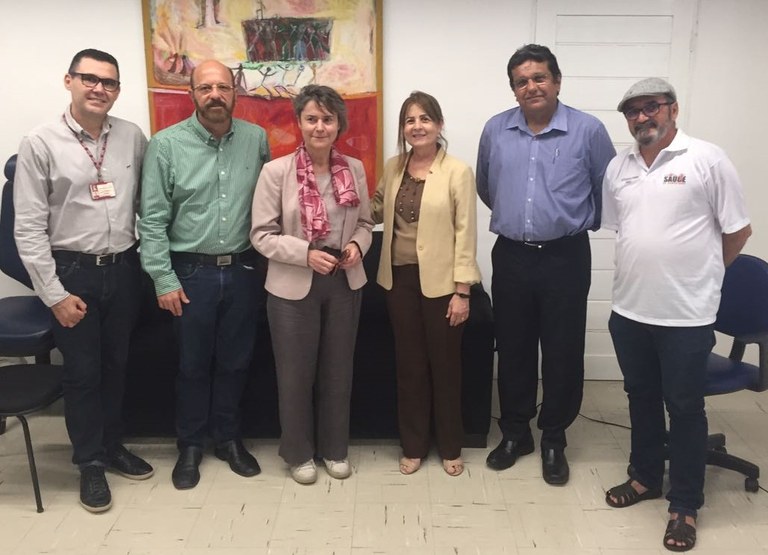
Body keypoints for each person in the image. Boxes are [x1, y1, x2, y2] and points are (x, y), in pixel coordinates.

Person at [602, 78, 751, 552]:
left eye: (652, 107)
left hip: (685, 316)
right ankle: (645, 476)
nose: (642, 117)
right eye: (633, 111)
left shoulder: (706, 159)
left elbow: (738, 231)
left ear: (673, 109)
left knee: (685, 408)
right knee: (641, 397)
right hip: (629, 310)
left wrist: (706, 274)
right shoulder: (619, 166)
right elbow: (623, 229)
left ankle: (684, 504)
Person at [14, 48, 153, 513]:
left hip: (124, 268)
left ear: (118, 90)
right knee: (83, 373)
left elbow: (145, 206)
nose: (99, 89)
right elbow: (28, 229)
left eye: (109, 82)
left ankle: (112, 446)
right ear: (69, 81)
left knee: (117, 366)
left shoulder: (132, 137)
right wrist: (54, 295)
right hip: (72, 272)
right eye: (89, 78)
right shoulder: (40, 142)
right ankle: (89, 463)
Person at [476, 44, 615, 485]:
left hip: (565, 256)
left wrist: (566, 222)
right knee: (513, 346)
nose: (531, 86)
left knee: (562, 349)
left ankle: (554, 436)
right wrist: (522, 219)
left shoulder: (588, 130)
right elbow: (487, 186)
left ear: (556, 81)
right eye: (522, 81)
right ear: (513, 89)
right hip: (512, 254)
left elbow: (608, 190)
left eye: (539, 77)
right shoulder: (496, 130)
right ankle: (516, 433)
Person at [138, 59, 271, 490]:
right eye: (205, 88)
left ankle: (228, 439)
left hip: (244, 269)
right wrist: (163, 279)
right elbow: (152, 219)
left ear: (235, 92)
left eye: (223, 87)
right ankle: (191, 445)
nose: (215, 95)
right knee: (192, 365)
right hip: (189, 272)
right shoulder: (165, 145)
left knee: (236, 361)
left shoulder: (256, 139)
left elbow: (269, 204)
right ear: (191, 94)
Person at [250, 84, 372, 484]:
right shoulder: (276, 172)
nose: (320, 127)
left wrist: (356, 245)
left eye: (328, 119)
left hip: (343, 282)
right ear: (299, 123)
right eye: (312, 119)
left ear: (339, 125)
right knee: (295, 375)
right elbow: (261, 235)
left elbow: (366, 223)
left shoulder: (354, 169)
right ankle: (299, 453)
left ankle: (335, 449)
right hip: (292, 286)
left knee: (339, 372)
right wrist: (305, 254)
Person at [371, 91, 481, 477]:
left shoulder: (457, 171)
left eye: (424, 119)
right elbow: (374, 209)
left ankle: (450, 445)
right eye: (409, 120)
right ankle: (414, 445)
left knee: (446, 367)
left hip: (443, 285)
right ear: (403, 128)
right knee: (410, 367)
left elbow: (466, 232)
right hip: (398, 281)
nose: (417, 126)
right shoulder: (394, 167)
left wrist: (462, 291)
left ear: (439, 124)